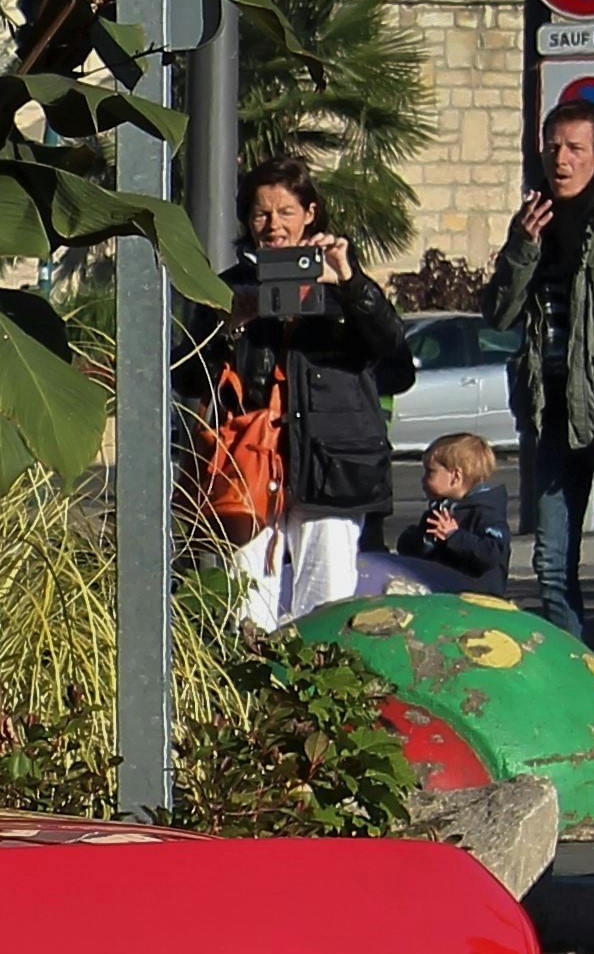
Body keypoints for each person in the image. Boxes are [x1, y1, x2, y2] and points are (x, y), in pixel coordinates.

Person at [211, 158, 411, 625]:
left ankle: (315, 695)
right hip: (252, 466)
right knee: (245, 604)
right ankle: (252, 691)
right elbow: (187, 375)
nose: (273, 225)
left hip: (331, 468)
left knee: (326, 605)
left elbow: (396, 361)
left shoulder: (345, 284)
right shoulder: (228, 288)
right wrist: (232, 327)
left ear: (310, 213)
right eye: (261, 213)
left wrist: (348, 283)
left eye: (286, 212)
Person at [488, 90, 594, 632]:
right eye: (553, 148)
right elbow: (499, 315)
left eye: (575, 148)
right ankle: (577, 695)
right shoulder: (531, 224)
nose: (561, 159)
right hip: (551, 419)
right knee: (550, 568)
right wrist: (522, 246)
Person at [361, 432, 518, 595]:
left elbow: (491, 554)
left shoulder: (485, 511)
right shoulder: (440, 510)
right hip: (443, 591)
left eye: (430, 472)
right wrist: (423, 540)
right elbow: (412, 552)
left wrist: (454, 536)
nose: (423, 480)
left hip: (476, 597)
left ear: (455, 477)